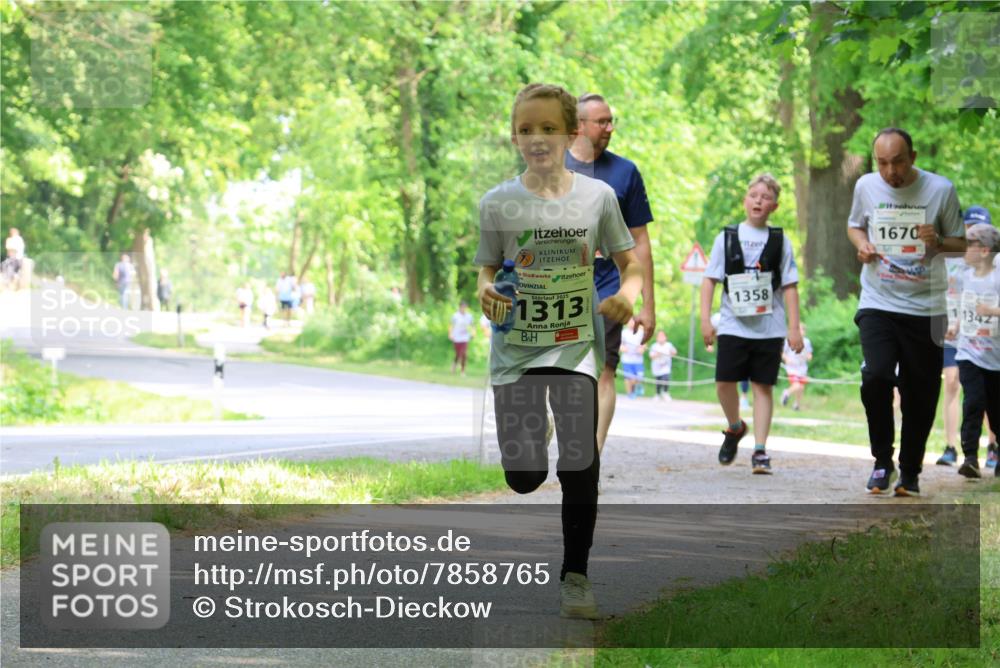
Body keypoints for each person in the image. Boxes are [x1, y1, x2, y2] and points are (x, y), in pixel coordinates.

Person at [475, 83, 641, 620]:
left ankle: (576, 577)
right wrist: (484, 291)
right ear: (515, 135)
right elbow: (485, 271)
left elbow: (629, 262)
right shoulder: (497, 203)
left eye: (549, 128)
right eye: (526, 129)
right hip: (516, 351)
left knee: (580, 462)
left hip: (574, 349)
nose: (537, 139)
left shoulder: (598, 198)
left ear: (572, 134)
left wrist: (628, 295)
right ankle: (532, 435)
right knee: (523, 477)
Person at [848, 128, 965, 496]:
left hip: (926, 308)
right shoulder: (866, 186)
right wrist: (863, 245)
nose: (889, 171)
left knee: (921, 391)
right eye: (882, 163)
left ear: (912, 157)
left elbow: (960, 245)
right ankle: (883, 461)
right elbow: (855, 226)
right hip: (878, 301)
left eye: (897, 161)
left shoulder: (940, 189)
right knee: (876, 377)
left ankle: (910, 470)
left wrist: (938, 241)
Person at [566, 93, 655, 454]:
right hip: (559, 283)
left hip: (608, 285)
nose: (610, 127)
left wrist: (648, 304)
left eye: (610, 120)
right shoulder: (552, 167)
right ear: (578, 126)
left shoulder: (625, 173)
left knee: (604, 370)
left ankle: (592, 458)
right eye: (602, 121)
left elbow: (641, 242)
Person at [701, 173, 803, 474]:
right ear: (745, 200)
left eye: (766, 197)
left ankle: (760, 450)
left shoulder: (780, 240)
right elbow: (709, 281)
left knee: (763, 386)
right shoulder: (727, 237)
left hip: (769, 325)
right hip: (733, 323)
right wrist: (706, 320)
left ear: (775, 206)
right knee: (724, 383)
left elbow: (790, 286)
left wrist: (793, 327)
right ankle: (735, 427)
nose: (759, 200)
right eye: (753, 195)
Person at [937, 205, 997, 467]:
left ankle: (993, 449)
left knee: (992, 402)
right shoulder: (959, 267)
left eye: (972, 242)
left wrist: (991, 311)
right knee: (964, 393)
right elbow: (961, 301)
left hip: (993, 349)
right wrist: (955, 325)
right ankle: (963, 453)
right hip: (963, 344)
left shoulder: (995, 271)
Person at [780, 323, 813, 411]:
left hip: (802, 369)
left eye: (802, 330)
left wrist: (807, 356)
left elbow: (809, 356)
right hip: (792, 369)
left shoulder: (807, 342)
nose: (801, 332)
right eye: (799, 330)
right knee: (797, 385)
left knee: (801, 387)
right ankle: (786, 393)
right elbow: (782, 353)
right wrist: (786, 358)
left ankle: (797, 404)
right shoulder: (788, 341)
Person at [619, 317, 646, 398]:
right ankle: (630, 393)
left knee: (639, 377)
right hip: (627, 360)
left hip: (638, 360)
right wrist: (623, 348)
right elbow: (619, 344)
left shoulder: (641, 332)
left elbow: (644, 343)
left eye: (633, 321)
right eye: (630, 321)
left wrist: (642, 348)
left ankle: (635, 389)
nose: (632, 323)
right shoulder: (623, 332)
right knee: (628, 377)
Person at [649, 330, 678, 401]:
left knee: (665, 378)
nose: (661, 338)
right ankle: (658, 394)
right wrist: (657, 354)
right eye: (659, 336)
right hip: (657, 366)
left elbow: (674, 352)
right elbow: (651, 356)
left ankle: (665, 392)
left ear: (666, 337)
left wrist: (672, 353)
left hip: (666, 366)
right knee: (658, 380)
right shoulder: (654, 346)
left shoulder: (669, 345)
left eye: (663, 336)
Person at [448, 300, 475, 375]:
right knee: (458, 354)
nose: (464, 309)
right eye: (462, 307)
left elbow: (473, 325)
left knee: (464, 353)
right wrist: (450, 334)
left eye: (465, 307)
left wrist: (473, 333)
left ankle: (463, 370)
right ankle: (454, 364)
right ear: (460, 307)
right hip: (456, 337)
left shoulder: (469, 316)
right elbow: (451, 325)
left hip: (465, 337)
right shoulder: (455, 316)